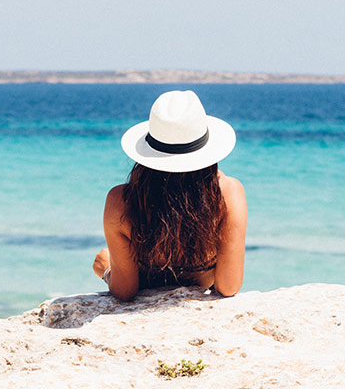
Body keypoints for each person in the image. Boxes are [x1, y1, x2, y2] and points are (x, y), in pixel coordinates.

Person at [93, 90, 247, 301]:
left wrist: (106, 269)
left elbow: (125, 291)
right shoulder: (228, 194)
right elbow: (229, 286)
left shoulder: (121, 201)